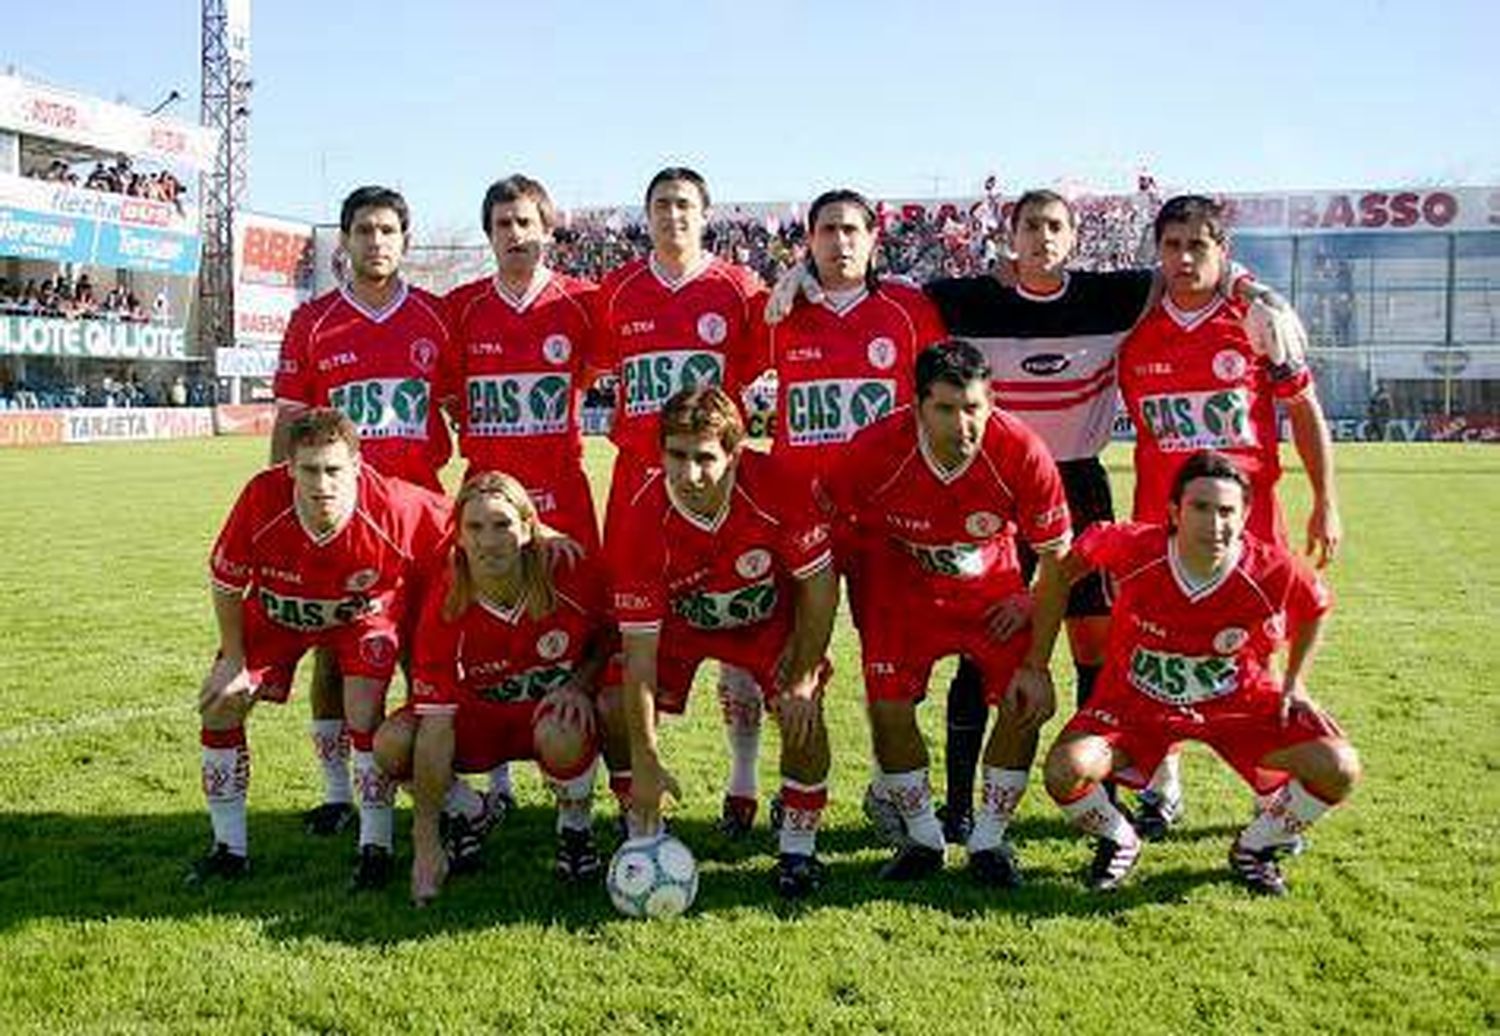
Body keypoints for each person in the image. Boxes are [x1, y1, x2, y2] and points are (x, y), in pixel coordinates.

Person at [1117, 194, 1342, 835]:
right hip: (1158, 528)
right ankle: (1161, 786)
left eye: (1200, 246)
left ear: (1223, 253)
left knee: (1257, 658)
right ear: (1157, 253)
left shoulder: (1255, 323)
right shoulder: (1133, 329)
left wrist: (1326, 499)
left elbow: (1303, 411)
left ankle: (1269, 794)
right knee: (1154, 653)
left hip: (1247, 528)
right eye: (1172, 246)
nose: (1185, 258)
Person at [1043, 450, 1361, 895]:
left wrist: (1294, 682)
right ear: (1174, 512)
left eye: (1227, 511)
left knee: (1339, 767)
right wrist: (1029, 602)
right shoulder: (1135, 548)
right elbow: (1067, 565)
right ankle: (1119, 840)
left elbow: (1316, 607)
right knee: (1064, 771)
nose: (1215, 523)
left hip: (1237, 707)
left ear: (1246, 514)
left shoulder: (1270, 567)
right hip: (1137, 706)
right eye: (1200, 508)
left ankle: (1256, 847)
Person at [828, 341, 1071, 886]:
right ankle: (921, 838)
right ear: (917, 406)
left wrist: (1034, 644)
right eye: (945, 409)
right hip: (902, 587)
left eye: (974, 409)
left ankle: (988, 840)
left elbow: (1058, 559)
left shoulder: (1022, 450)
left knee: (1023, 701)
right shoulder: (873, 449)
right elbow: (820, 522)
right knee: (888, 707)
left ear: (992, 402)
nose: (963, 425)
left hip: (991, 591)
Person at [750, 188, 948, 837]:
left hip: (883, 523)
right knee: (790, 658)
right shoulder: (781, 310)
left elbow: (942, 403)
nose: (840, 242)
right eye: (827, 230)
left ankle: (892, 791)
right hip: (799, 518)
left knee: (889, 664)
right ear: (807, 241)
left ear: (874, 238)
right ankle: (796, 787)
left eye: (852, 230)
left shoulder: (910, 312)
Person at [191, 408, 450, 888]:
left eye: (333, 469)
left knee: (362, 708)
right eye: (309, 470)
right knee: (220, 704)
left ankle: (375, 845)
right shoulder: (261, 498)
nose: (322, 483)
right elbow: (226, 582)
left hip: (360, 619)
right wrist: (232, 658)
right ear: (287, 467)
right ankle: (229, 849)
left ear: (356, 464)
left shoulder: (393, 504)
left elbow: (472, 518)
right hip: (278, 612)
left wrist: (542, 534)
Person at [271, 185, 459, 841]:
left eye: (387, 230)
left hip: (420, 519)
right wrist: (282, 504)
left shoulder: (436, 320)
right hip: (337, 523)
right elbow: (289, 427)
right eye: (363, 231)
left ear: (404, 240)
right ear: (344, 241)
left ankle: (449, 787)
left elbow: (465, 413)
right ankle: (336, 793)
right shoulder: (313, 322)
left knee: (425, 649)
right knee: (334, 656)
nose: (375, 242)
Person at [595, 168, 773, 837]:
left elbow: (760, 364)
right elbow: (592, 368)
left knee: (736, 629)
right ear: (647, 216)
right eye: (662, 205)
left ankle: (743, 779)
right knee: (632, 638)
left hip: (717, 490)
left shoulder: (739, 289)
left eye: (685, 206)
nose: (674, 215)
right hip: (637, 486)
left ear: (706, 216)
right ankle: (636, 785)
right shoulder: (614, 292)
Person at [609, 387, 838, 898]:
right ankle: (642, 831)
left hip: (768, 622)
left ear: (735, 454)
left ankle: (797, 850)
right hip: (681, 628)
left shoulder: (779, 484)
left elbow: (821, 585)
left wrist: (802, 674)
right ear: (660, 451)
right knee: (611, 701)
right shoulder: (641, 520)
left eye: (705, 458)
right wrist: (646, 756)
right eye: (677, 456)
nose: (689, 475)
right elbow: (640, 660)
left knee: (805, 712)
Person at [373, 472, 616, 905]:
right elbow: (436, 725)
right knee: (392, 744)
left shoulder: (568, 569)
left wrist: (580, 684)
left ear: (528, 528)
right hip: (482, 718)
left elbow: (610, 633)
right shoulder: (447, 599)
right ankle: (472, 811)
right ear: (459, 537)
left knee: (564, 727)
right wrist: (426, 843)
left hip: (549, 716)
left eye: (502, 524)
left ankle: (575, 828)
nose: (489, 540)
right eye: (475, 528)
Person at [444, 175, 604, 552]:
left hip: (561, 490)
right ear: (489, 235)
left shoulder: (585, 302)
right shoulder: (458, 307)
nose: (514, 233)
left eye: (524, 222)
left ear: (547, 231)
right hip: (485, 495)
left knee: (576, 603)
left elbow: (589, 376)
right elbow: (450, 395)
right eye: (503, 224)